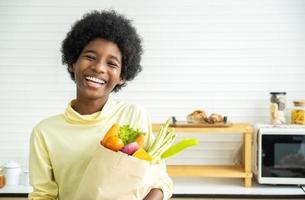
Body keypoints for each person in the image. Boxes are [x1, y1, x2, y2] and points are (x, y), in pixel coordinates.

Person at [29, 10, 173, 200]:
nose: (99, 68)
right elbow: (43, 196)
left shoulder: (133, 115)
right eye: (90, 57)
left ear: (122, 76)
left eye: (112, 63)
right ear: (72, 62)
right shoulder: (45, 132)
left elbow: (160, 181)